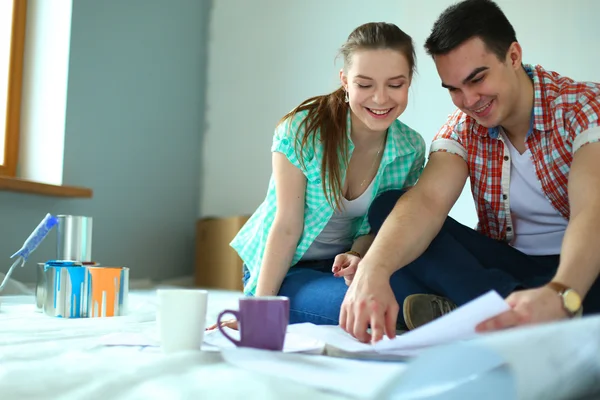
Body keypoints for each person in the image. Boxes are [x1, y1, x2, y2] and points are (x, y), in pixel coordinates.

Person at [339, 0, 600, 344]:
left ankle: (504, 310)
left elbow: (592, 210)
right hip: (509, 272)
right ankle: (512, 310)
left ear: (513, 56)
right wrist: (372, 269)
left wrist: (560, 292)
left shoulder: (582, 107)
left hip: (583, 272)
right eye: (454, 89)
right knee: (389, 208)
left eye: (477, 79)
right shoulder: (463, 127)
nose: (469, 99)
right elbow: (427, 201)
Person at [208, 22, 426, 330]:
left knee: (410, 289)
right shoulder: (302, 131)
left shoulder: (410, 148)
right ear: (345, 81)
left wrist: (356, 254)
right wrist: (259, 312)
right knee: (366, 307)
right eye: (365, 85)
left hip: (348, 269)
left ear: (408, 82)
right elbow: (286, 226)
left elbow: (380, 224)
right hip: (287, 269)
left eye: (395, 84)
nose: (380, 99)